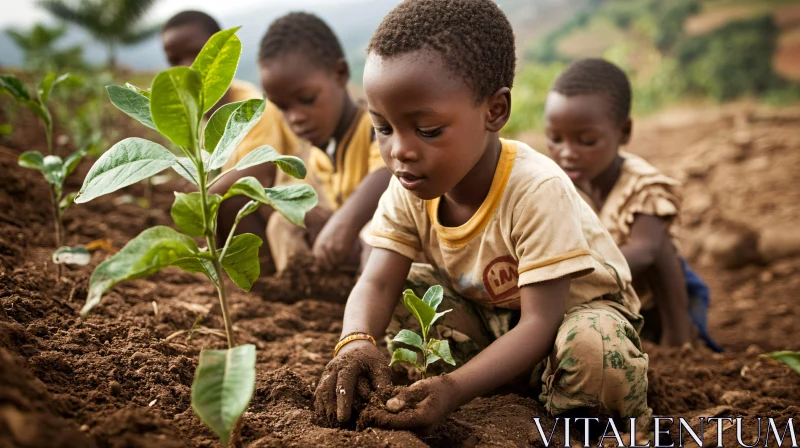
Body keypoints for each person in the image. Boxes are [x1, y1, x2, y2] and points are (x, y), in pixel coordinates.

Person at [314, 0, 651, 435]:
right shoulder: (408, 185)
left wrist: (453, 390)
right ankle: (497, 380)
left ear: (494, 111)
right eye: (382, 127)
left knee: (594, 349)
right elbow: (377, 281)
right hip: (488, 325)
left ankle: (572, 414)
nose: (399, 150)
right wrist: (355, 343)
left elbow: (540, 322)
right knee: (402, 291)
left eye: (428, 130)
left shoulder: (535, 189)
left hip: (568, 322)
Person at [543, 58, 722, 352]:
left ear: (623, 133)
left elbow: (645, 252)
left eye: (586, 141)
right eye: (555, 139)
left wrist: (575, 273)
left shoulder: (642, 186)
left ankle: (680, 340)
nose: (567, 153)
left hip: (653, 308)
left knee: (659, 243)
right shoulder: (559, 185)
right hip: (601, 303)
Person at [239, 12, 391, 272]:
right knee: (283, 221)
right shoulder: (319, 154)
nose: (295, 118)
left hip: (389, 249)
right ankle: (299, 289)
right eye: (282, 108)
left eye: (307, 99)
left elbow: (389, 170)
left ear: (340, 73)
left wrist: (344, 223)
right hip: (350, 255)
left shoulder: (378, 128)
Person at [162, 10, 298, 262]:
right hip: (267, 216)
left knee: (231, 200)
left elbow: (257, 173)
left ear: (221, 54)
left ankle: (265, 277)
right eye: (174, 60)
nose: (185, 66)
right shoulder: (203, 115)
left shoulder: (252, 107)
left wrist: (197, 197)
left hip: (290, 220)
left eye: (196, 53)